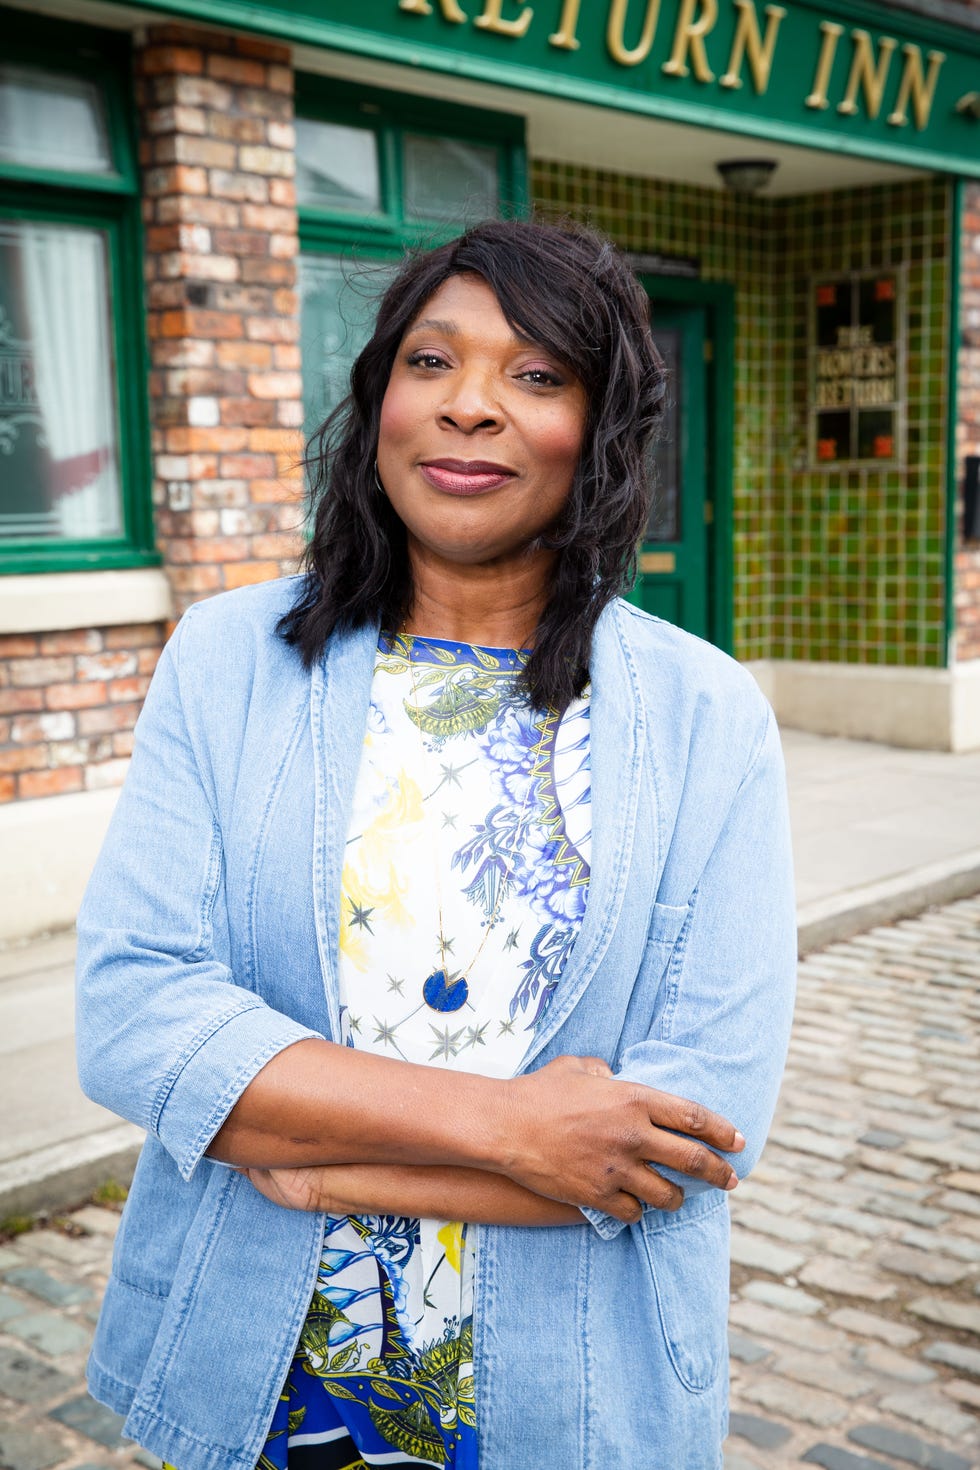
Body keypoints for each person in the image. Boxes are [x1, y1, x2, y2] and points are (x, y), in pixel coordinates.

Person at [76, 217, 796, 1470]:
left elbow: (693, 1130)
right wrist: (513, 1130)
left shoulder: (703, 716)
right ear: (378, 403)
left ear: (603, 429)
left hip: (568, 1390)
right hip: (265, 1371)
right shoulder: (229, 660)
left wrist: (323, 1165)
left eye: (535, 375)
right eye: (430, 361)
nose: (470, 407)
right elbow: (137, 1018)